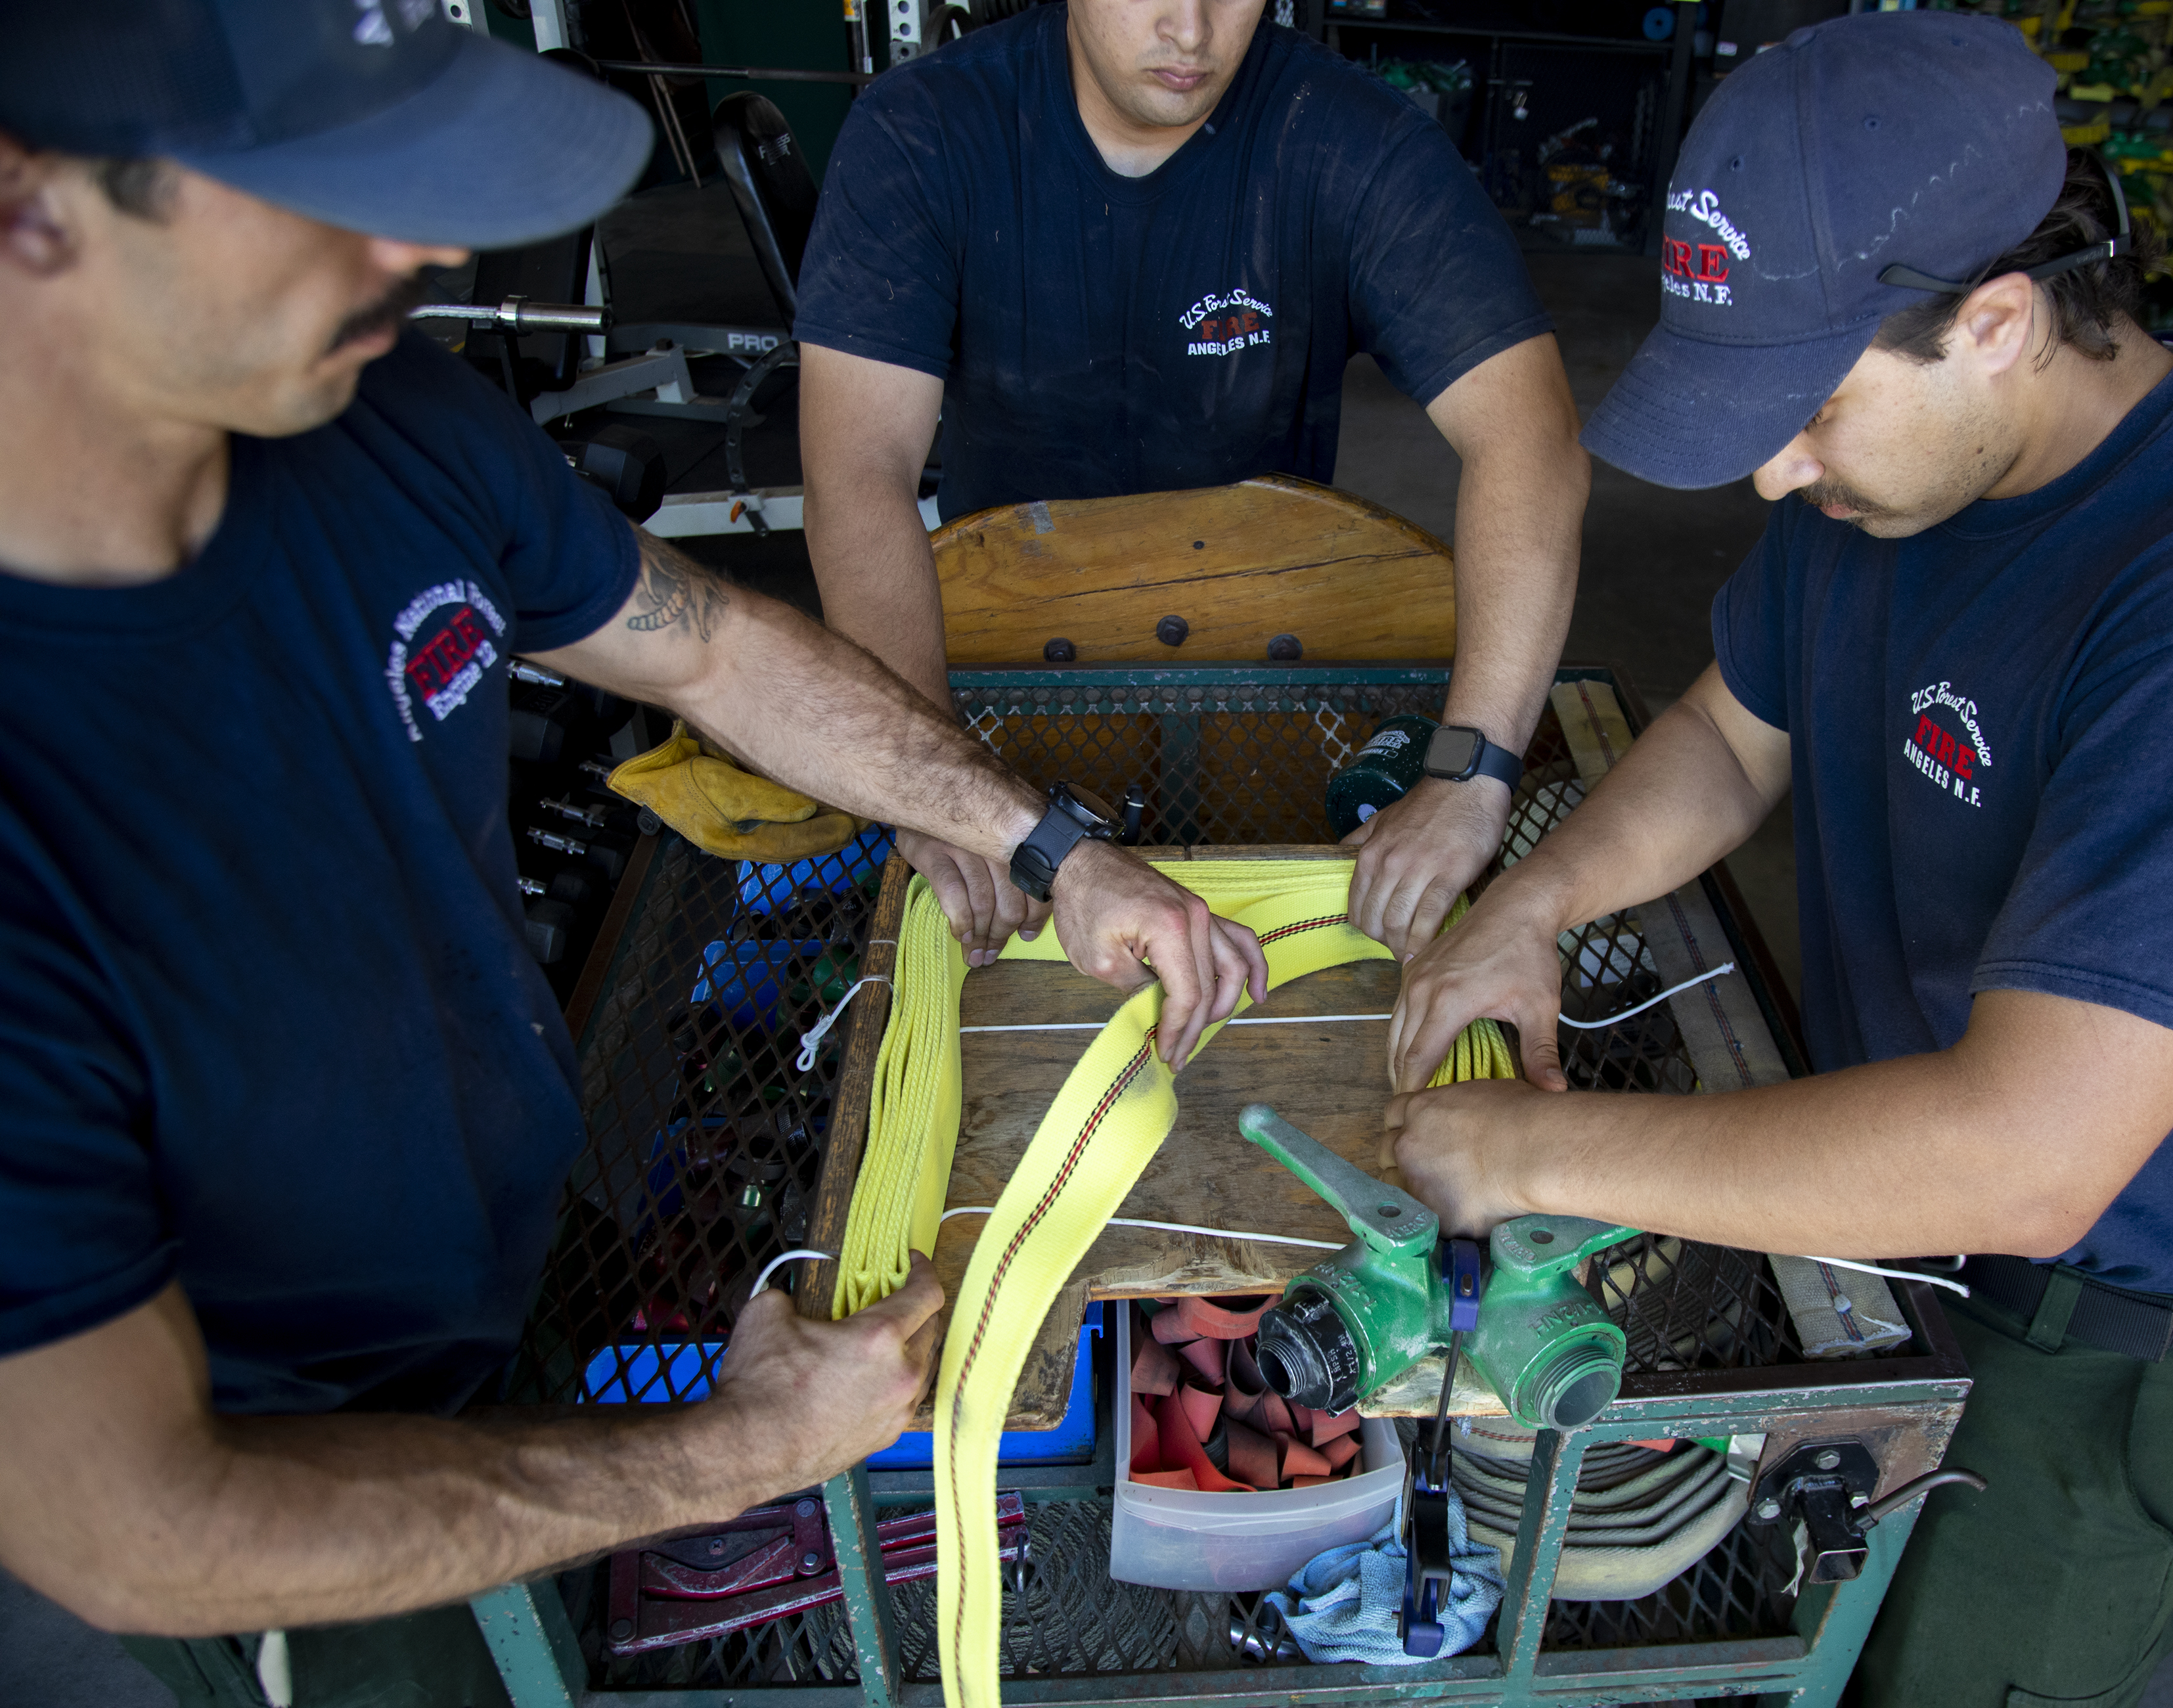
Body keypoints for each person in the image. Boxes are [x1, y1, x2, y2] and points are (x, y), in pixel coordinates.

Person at [0, 4, 1265, 1699]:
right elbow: (138, 1529)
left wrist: (1043, 844)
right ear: (29, 200)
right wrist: (735, 1454)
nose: (431, 247)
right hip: (247, 1523)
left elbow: (709, 649)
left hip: (471, 1273)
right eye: (328, 192)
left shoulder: (383, 419)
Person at [1379, 15, 2173, 1706]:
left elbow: (2029, 1157)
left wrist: (1530, 1151)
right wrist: (1533, 903)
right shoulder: (1884, 499)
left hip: (2079, 1338)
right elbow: (1735, 731)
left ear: (2001, 323)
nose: (1777, 470)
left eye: (1807, 409)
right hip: (1865, 1230)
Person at [791, 0, 1590, 967]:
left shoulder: (1347, 139)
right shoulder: (921, 130)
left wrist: (1473, 768)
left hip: (1271, 669)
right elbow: (858, 466)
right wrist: (930, 781)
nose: (1192, 28)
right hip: (995, 675)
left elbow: (1530, 438)